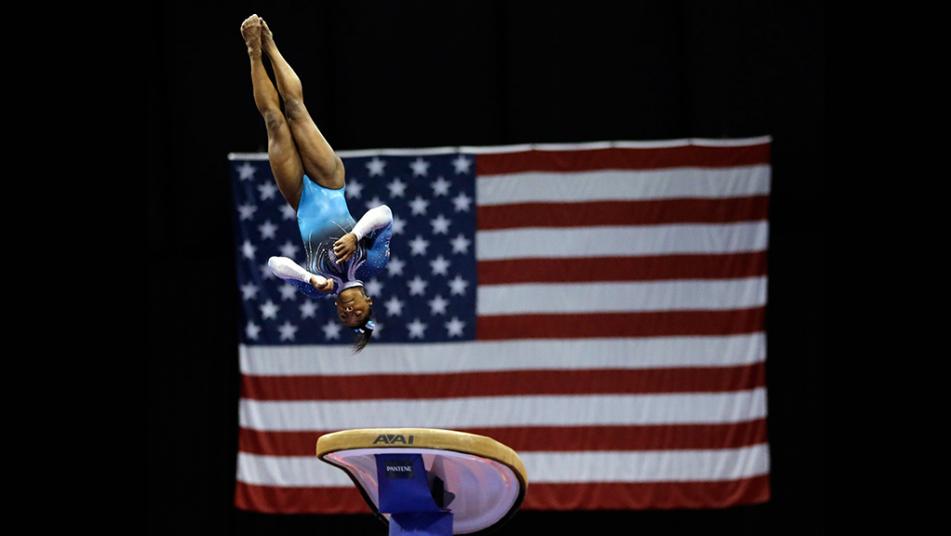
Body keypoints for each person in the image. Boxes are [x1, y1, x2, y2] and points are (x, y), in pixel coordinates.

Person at [241, 14, 392, 351]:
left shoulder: (315, 287)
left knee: (274, 122)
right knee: (295, 110)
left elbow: (274, 265)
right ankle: (270, 43)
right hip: (329, 182)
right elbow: (384, 213)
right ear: (370, 303)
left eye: (345, 319)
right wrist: (355, 235)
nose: (349, 312)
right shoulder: (374, 263)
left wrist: (308, 277)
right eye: (358, 314)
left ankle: (253, 51)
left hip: (299, 199)